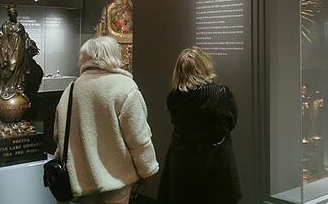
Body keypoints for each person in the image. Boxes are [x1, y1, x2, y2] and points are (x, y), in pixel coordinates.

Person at [54, 36, 159, 204]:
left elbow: (59, 135)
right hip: (116, 179)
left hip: (79, 181)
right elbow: (138, 137)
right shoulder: (125, 87)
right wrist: (148, 170)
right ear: (114, 55)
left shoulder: (71, 89)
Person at [158, 47, 241, 204]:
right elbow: (231, 123)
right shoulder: (221, 94)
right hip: (215, 163)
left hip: (182, 162)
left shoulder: (173, 98)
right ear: (205, 66)